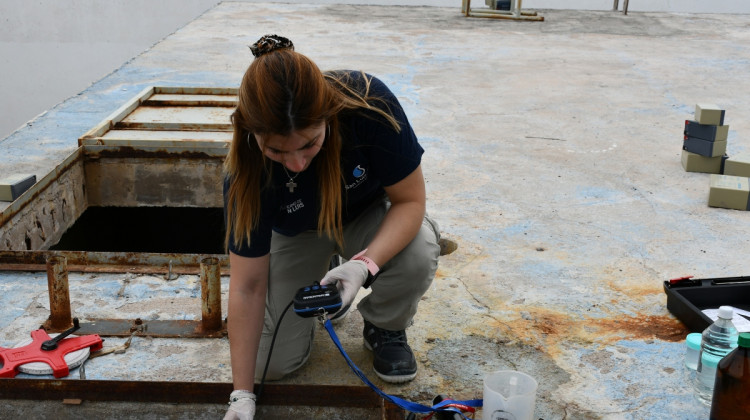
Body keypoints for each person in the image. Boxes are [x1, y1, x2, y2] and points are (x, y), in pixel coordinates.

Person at [222, 34, 441, 420]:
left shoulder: (369, 103)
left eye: (309, 144)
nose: (295, 164)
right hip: (298, 232)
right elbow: (246, 286)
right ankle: (325, 289)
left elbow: (410, 201)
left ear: (329, 114)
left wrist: (364, 265)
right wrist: (241, 396)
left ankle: (384, 325)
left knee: (418, 251)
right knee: (268, 367)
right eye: (276, 151)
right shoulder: (245, 172)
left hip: (364, 214)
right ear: (250, 131)